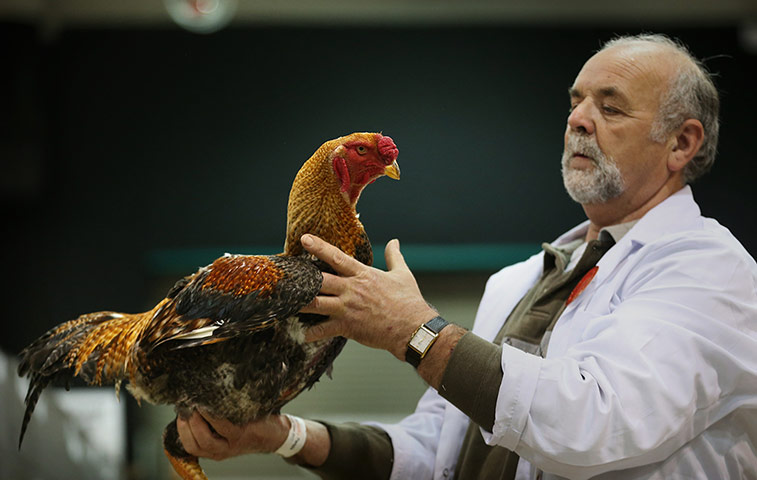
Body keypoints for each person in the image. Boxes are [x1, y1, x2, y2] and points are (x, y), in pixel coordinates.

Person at [176, 33, 757, 479]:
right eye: (576, 102)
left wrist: (416, 332)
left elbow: (591, 421)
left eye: (611, 107)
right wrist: (281, 436)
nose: (578, 120)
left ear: (681, 142)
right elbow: (434, 455)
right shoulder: (518, 281)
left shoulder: (709, 270)